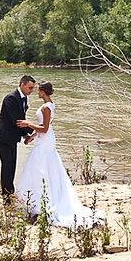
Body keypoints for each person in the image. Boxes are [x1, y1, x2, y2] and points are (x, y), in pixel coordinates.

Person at [15, 81, 103, 229]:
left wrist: (27, 124)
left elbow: (45, 128)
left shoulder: (45, 107)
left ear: (43, 91)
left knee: (39, 169)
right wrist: (32, 136)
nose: (36, 92)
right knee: (41, 168)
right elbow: (43, 128)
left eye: (38, 90)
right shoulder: (50, 105)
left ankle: (40, 203)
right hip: (44, 140)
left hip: (45, 142)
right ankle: (35, 202)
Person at [0, 75, 35, 203]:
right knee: (7, 166)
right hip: (4, 136)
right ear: (22, 85)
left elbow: (21, 118)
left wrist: (24, 135)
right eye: (30, 88)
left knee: (12, 165)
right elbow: (16, 120)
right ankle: (7, 198)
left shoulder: (24, 98)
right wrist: (35, 130)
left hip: (12, 137)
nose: (32, 90)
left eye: (33, 88)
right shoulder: (11, 98)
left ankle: (10, 193)